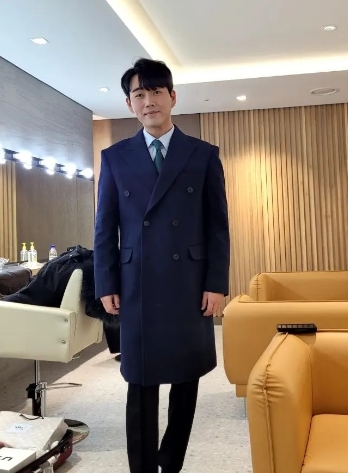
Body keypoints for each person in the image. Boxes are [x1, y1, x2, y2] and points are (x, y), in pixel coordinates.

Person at [93, 58, 230, 473]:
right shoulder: (115, 158)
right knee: (140, 380)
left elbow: (217, 227)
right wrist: (105, 282)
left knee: (186, 378)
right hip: (136, 283)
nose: (148, 101)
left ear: (172, 97)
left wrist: (216, 283)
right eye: (139, 94)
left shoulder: (203, 155)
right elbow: (105, 227)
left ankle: (171, 464)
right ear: (129, 103)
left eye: (156, 92)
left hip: (189, 283)